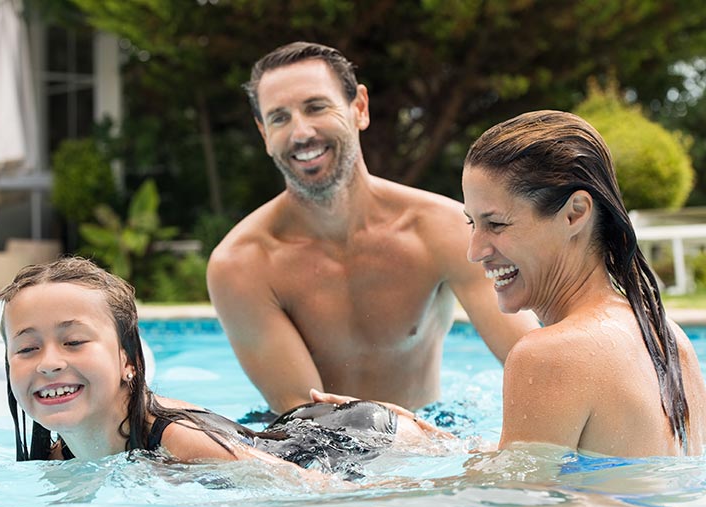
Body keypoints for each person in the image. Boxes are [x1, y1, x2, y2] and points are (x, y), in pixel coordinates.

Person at [207, 41, 538, 415]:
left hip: (434, 440)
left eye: (316, 107)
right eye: (279, 118)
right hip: (325, 456)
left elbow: (534, 368)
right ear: (264, 135)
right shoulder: (241, 266)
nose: (301, 133)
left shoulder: (444, 229)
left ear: (359, 108)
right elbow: (306, 419)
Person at [0, 257, 446, 478]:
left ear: (128, 361)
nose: (50, 363)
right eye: (27, 348)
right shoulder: (58, 451)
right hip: (282, 431)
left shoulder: (177, 441)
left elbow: (314, 492)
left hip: (353, 437)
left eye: (73, 342)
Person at [459, 109, 706, 456]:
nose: (475, 251)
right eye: (472, 223)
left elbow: (516, 504)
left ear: (575, 213)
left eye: (496, 225)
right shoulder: (670, 339)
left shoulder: (547, 357)